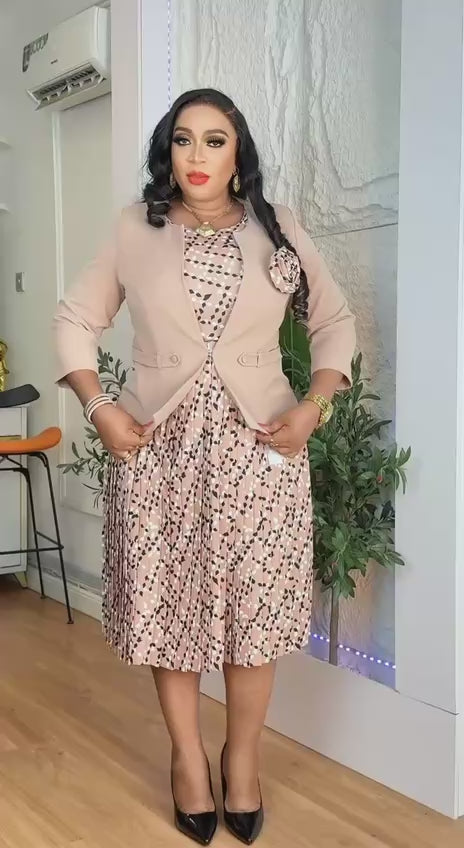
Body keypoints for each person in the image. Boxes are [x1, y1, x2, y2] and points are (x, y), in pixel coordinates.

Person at [52, 88, 356, 846]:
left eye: (214, 140)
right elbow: (75, 319)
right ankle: (187, 759)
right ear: (168, 151)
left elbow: (334, 322)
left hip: (262, 447)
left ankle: (241, 759)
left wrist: (315, 406)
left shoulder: (279, 227)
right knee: (171, 608)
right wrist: (100, 406)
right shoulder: (135, 227)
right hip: (159, 449)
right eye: (183, 139)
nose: (197, 156)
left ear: (237, 153)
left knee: (255, 611)